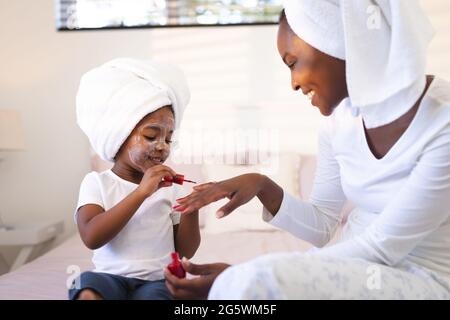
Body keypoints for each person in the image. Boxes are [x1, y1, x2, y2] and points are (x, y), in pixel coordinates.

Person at [164, 1, 450, 299]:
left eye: (293, 62)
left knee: (249, 284)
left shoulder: (443, 126)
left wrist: (243, 275)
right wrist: (261, 185)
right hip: (352, 271)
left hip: (421, 279)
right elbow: (323, 226)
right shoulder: (339, 123)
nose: (293, 84)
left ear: (340, 40)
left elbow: (382, 246)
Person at [69, 58, 200, 300]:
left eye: (169, 139)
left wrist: (191, 211)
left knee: (161, 295)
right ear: (119, 137)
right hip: (109, 278)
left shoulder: (170, 190)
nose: (162, 147)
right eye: (151, 136)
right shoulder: (97, 183)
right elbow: (92, 237)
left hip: (156, 280)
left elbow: (184, 251)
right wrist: (141, 192)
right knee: (85, 285)